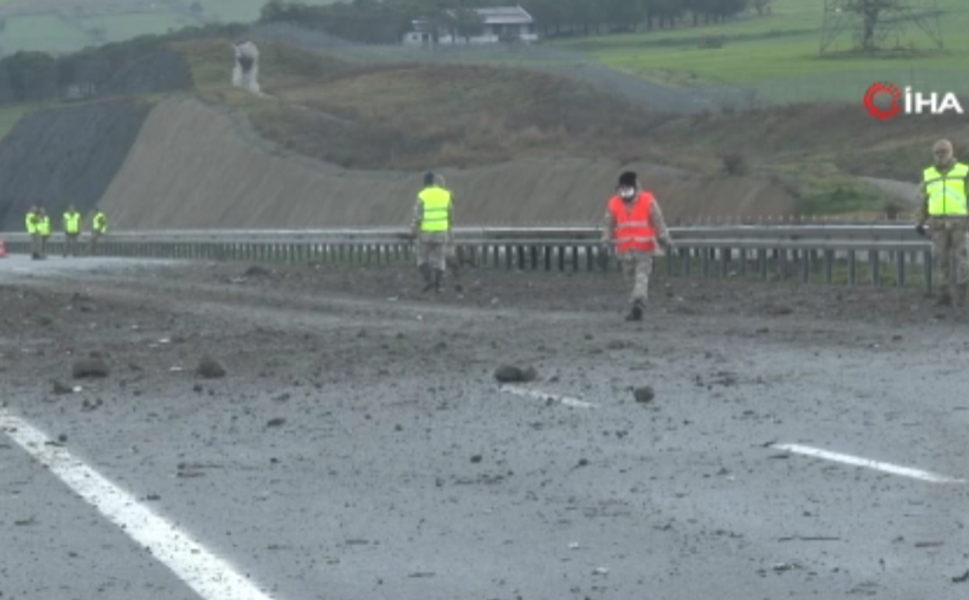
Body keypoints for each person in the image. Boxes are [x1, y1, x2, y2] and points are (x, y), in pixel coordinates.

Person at [601, 170, 673, 321]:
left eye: (627, 188)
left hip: (644, 247)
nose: (624, 192)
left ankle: (639, 302)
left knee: (641, 276)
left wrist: (664, 237)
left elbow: (658, 220)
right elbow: (609, 223)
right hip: (625, 249)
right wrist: (606, 239)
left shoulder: (648, 200)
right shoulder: (614, 203)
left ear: (634, 187)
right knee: (629, 280)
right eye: (622, 188)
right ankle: (635, 306)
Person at [915, 139, 969, 306]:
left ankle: (964, 295)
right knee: (941, 260)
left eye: (944, 152)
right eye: (937, 153)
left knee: (964, 259)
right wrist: (919, 221)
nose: (941, 157)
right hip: (937, 223)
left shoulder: (964, 172)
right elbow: (923, 200)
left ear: (951, 153)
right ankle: (943, 295)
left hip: (960, 222)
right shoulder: (928, 174)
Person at [410, 171, 452, 293]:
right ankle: (438, 286)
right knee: (440, 260)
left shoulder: (422, 195)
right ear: (434, 181)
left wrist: (413, 229)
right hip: (441, 232)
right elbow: (450, 213)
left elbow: (417, 216)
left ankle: (429, 280)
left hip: (426, 233)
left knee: (421, 258)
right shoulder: (445, 194)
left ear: (424, 183)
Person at [436, 173, 465, 293]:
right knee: (451, 257)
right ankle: (456, 281)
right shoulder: (448, 195)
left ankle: (438, 284)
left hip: (433, 231)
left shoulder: (428, 196)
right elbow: (451, 215)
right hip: (446, 230)